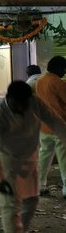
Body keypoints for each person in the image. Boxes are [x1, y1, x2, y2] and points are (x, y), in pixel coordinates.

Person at [0, 80, 66, 233]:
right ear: (8, 98)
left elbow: (56, 123)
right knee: (10, 205)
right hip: (6, 163)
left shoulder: (34, 103)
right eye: (17, 104)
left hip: (29, 159)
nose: (21, 108)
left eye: (24, 104)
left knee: (31, 201)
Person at [37, 56, 66, 197]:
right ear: (59, 68)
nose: (65, 72)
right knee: (64, 158)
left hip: (44, 125)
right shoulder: (59, 83)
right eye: (64, 69)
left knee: (44, 156)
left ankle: (39, 185)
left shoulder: (40, 81)